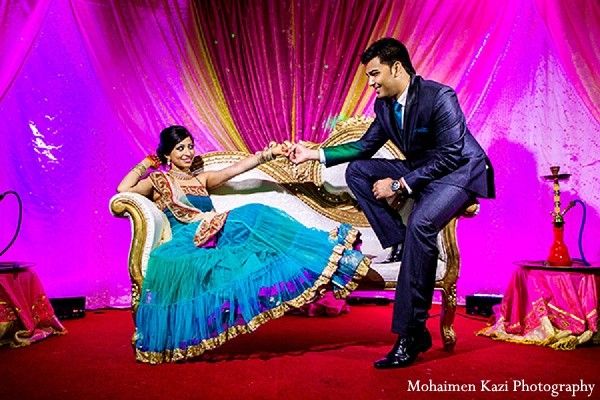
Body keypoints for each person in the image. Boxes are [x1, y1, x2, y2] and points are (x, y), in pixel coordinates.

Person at [289, 38, 495, 368]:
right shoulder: (384, 106)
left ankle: (411, 334)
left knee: (422, 224)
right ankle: (399, 242)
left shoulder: (439, 96)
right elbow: (365, 147)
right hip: (422, 171)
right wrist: (314, 153)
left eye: (374, 74)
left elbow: (452, 153)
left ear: (396, 67)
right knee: (359, 171)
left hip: (459, 172)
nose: (370, 84)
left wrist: (401, 183)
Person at [116, 125, 370, 364]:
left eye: (190, 146)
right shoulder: (159, 181)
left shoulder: (201, 179)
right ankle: (329, 257)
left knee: (259, 219)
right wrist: (147, 164)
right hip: (189, 238)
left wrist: (268, 154)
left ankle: (329, 258)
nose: (187, 152)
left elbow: (234, 170)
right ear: (168, 154)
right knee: (253, 215)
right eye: (180, 148)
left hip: (218, 231)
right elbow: (122, 189)